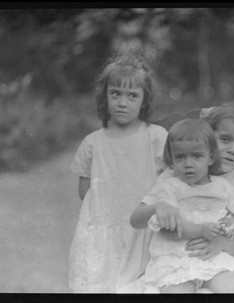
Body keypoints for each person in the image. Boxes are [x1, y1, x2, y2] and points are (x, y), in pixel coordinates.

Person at [69, 53, 167, 293]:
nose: (123, 102)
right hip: (104, 230)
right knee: (99, 284)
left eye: (132, 96)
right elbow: (85, 190)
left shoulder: (155, 137)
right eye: (116, 94)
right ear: (105, 97)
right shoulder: (93, 143)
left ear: (144, 101)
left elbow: (169, 182)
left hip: (141, 227)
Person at [131, 118, 234, 293]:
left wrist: (230, 226)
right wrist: (201, 230)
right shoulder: (171, 186)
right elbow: (168, 230)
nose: (188, 164)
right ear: (171, 161)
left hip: (214, 256)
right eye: (180, 157)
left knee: (231, 287)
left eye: (197, 156)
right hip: (177, 258)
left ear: (211, 158)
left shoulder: (223, 187)